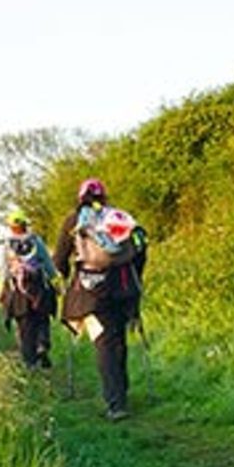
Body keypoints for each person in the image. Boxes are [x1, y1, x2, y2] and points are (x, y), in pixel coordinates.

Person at [53, 177, 147, 421]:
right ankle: (121, 392)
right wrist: (137, 275)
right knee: (117, 339)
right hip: (123, 288)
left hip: (90, 291)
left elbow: (60, 258)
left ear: (80, 198)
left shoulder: (73, 221)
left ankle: (115, 403)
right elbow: (139, 246)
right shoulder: (118, 218)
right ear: (104, 197)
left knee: (104, 343)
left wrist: (62, 280)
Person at [0, 208, 57, 369]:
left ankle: (30, 363)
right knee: (42, 319)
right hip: (38, 288)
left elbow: (4, 269)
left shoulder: (8, 245)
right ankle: (42, 344)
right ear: (25, 225)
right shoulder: (36, 241)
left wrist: (1, 289)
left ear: (11, 227)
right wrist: (55, 281)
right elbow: (48, 264)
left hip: (18, 292)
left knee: (24, 326)